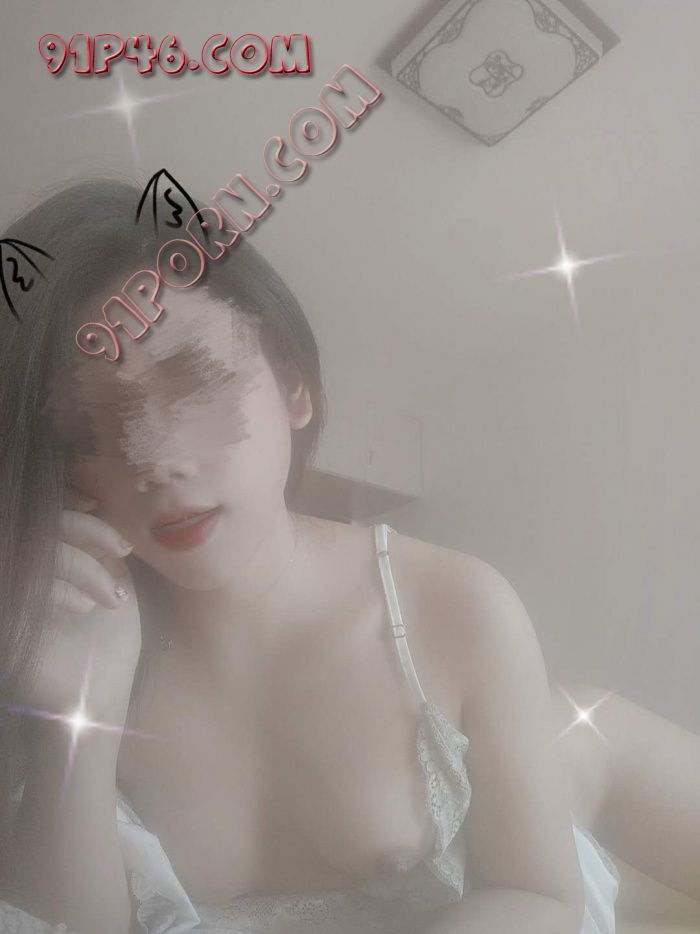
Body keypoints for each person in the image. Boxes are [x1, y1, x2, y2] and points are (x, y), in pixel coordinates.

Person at [0, 177, 698, 934]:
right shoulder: (58, 644)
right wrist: (80, 716)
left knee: (585, 732)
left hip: (549, 806)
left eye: (192, 383)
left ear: (294, 388)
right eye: (87, 431)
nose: (156, 460)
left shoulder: (458, 605)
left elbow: (540, 896)